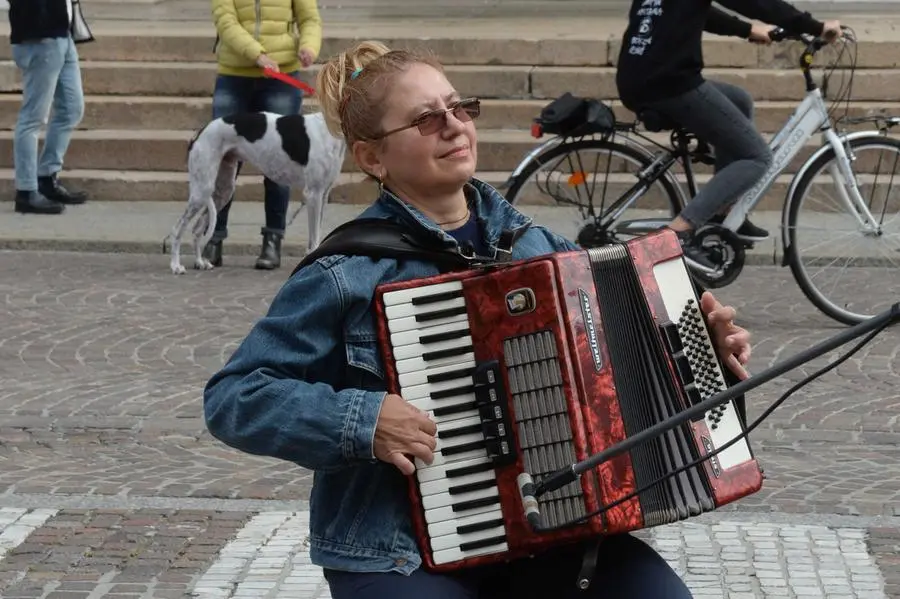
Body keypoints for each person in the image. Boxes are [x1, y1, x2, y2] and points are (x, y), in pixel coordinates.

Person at [203, 40, 755, 599]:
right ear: (372, 158)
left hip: (557, 535)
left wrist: (701, 356)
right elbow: (235, 397)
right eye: (424, 119)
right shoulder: (347, 272)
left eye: (458, 107)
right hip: (399, 553)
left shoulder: (546, 252)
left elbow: (634, 393)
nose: (452, 125)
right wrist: (362, 419)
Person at [615, 0, 842, 271]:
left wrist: (747, 30)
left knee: (739, 100)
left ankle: (722, 214)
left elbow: (696, 11)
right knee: (756, 157)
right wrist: (815, 26)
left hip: (638, 77)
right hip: (670, 83)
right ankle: (677, 235)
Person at [203, 0, 323, 270]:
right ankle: (213, 237)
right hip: (234, 75)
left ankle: (273, 239)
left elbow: (310, 19)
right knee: (221, 162)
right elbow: (226, 21)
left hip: (281, 76)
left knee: (281, 161)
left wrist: (309, 46)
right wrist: (257, 54)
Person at [8, 0, 94, 215]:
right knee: (32, 118)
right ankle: (26, 191)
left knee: (72, 109)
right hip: (39, 37)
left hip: (62, 33)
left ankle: (47, 177)